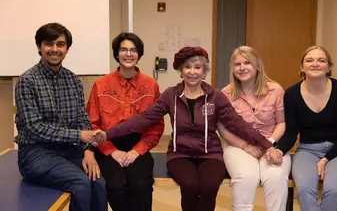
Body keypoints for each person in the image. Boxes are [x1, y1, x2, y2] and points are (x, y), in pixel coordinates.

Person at [94, 46, 277, 211]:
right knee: (190, 186)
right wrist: (107, 134)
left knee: (208, 187)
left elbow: (238, 124)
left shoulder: (216, 96)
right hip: (179, 154)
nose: (192, 72)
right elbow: (142, 120)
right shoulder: (170, 95)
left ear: (204, 71)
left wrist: (267, 145)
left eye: (197, 67)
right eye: (187, 67)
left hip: (210, 153)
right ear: (181, 71)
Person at [15, 22, 108, 211]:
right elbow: (35, 128)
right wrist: (80, 136)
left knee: (98, 183)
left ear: (67, 49)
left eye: (60, 44)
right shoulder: (27, 81)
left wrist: (88, 151)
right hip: (35, 153)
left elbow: (82, 119)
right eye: (49, 44)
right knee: (81, 183)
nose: (55, 49)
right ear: (39, 47)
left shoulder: (74, 81)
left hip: (69, 151)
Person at [86, 32, 165, 211]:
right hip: (107, 143)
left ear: (139, 54)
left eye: (133, 50)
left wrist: (137, 151)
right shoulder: (101, 84)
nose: (128, 54)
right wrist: (112, 151)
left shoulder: (151, 85)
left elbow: (156, 126)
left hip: (138, 145)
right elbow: (92, 124)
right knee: (115, 186)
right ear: (116, 53)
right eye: (123, 49)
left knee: (141, 186)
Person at [274, 46, 337, 211]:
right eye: (309, 60)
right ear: (302, 67)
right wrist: (278, 150)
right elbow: (291, 133)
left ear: (329, 67)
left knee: (333, 190)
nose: (315, 64)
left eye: (321, 60)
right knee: (304, 190)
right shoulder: (291, 94)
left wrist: (326, 159)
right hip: (307, 151)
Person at [218, 46, 291, 211]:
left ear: (257, 65)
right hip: (240, 146)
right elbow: (223, 129)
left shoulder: (275, 90)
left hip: (272, 143)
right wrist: (246, 146)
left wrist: (270, 144)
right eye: (237, 64)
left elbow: (282, 122)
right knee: (246, 177)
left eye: (247, 63)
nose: (242, 68)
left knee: (276, 177)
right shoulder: (225, 94)